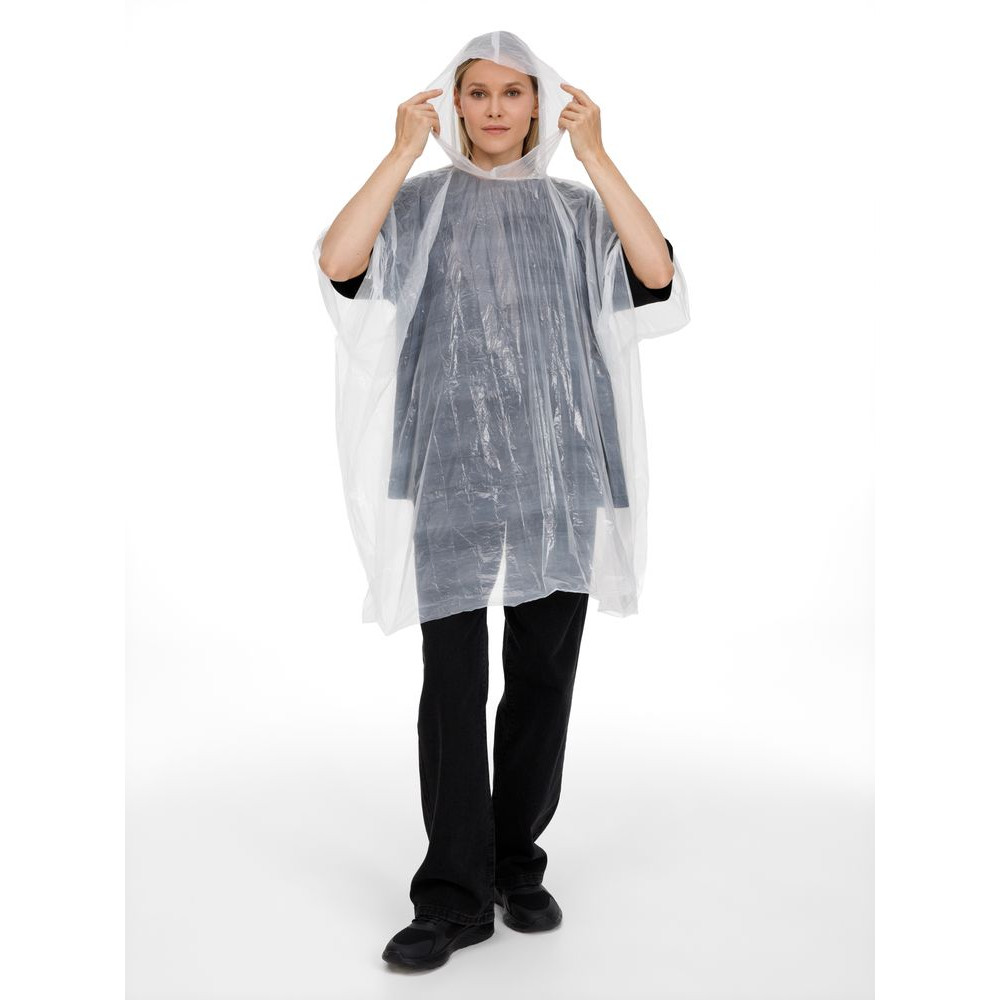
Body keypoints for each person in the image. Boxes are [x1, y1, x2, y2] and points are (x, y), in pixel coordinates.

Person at [315, 31, 688, 971]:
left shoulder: (575, 209)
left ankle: (515, 862)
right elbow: (339, 262)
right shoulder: (420, 204)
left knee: (541, 680)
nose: (493, 109)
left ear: (539, 104)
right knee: (453, 684)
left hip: (562, 474)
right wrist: (399, 151)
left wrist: (596, 155)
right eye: (475, 92)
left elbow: (654, 275)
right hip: (448, 473)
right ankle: (452, 893)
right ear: (452, 103)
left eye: (512, 93)